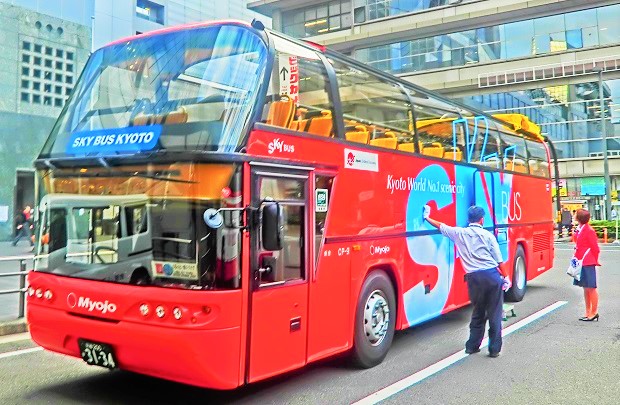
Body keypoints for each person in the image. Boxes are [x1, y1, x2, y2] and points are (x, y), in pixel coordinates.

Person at [424, 205, 510, 358]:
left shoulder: (459, 233)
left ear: (469, 219)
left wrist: (427, 217)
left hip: (474, 279)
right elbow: (499, 260)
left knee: (478, 312)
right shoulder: (488, 236)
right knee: (495, 314)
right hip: (491, 276)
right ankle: (494, 349)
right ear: (482, 220)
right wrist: (506, 277)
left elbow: (441, 226)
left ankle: (472, 346)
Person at [573, 209, 601, 321]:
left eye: (575, 214)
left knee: (591, 287)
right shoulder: (580, 229)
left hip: (588, 261)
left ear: (579, 218)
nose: (574, 216)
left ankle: (594, 312)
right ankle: (588, 311)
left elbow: (595, 247)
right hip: (582, 261)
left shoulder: (589, 230)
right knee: (585, 287)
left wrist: (595, 259)